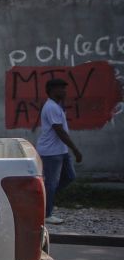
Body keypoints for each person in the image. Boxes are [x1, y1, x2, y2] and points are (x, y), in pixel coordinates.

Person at [36, 78, 82, 224]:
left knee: (69, 177)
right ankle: (46, 214)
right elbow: (59, 131)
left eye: (64, 88)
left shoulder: (56, 106)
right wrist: (75, 149)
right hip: (51, 152)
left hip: (60, 151)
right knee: (51, 183)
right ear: (52, 90)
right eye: (61, 88)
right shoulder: (51, 107)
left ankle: (43, 198)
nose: (64, 91)